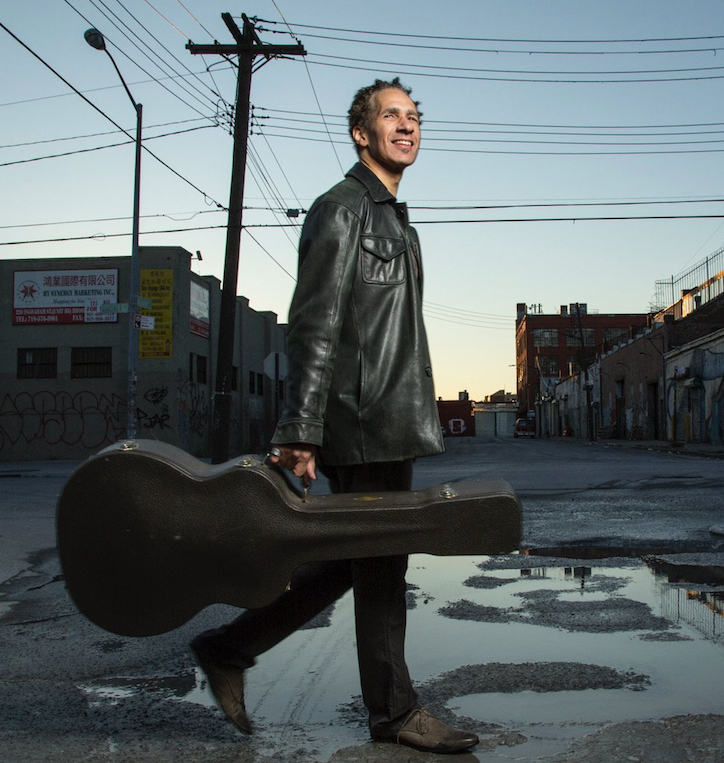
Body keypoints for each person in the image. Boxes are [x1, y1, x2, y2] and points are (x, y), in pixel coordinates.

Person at [191, 78, 479, 755]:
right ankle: (394, 711)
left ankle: (229, 646)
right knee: (378, 567)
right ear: (361, 132)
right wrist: (299, 430)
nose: (406, 127)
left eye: (413, 117)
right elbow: (314, 325)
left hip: (389, 416)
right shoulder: (341, 209)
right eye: (390, 116)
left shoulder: (394, 219)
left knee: (363, 562)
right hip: (361, 417)